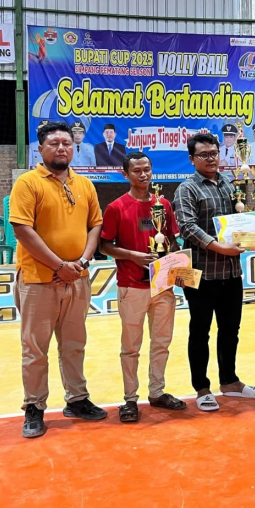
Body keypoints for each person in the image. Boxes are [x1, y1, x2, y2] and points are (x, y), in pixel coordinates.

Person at [9, 121, 107, 439]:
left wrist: (82, 262)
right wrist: (59, 265)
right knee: (35, 349)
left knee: (75, 345)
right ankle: (34, 407)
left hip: (77, 278)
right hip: (38, 280)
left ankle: (77, 399)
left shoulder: (85, 184)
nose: (61, 148)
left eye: (66, 142)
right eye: (54, 143)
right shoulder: (28, 183)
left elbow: (95, 225)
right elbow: (22, 230)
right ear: (41, 149)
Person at [174, 132, 255, 412]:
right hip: (201, 274)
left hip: (231, 273)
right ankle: (202, 388)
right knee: (200, 332)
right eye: (204, 155)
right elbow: (187, 227)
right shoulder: (187, 189)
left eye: (214, 153)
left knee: (230, 330)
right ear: (192, 159)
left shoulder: (229, 183)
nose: (211, 158)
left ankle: (229, 381)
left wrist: (254, 226)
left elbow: (240, 219)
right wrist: (220, 247)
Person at [100, 152, 187, 423]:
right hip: (132, 286)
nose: (143, 174)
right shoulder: (116, 208)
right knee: (131, 346)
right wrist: (133, 256)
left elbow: (172, 240)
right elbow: (104, 246)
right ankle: (130, 398)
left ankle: (157, 392)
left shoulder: (164, 204)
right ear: (125, 174)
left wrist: (179, 266)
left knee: (162, 343)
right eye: (137, 170)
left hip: (162, 286)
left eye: (147, 169)